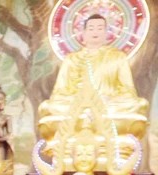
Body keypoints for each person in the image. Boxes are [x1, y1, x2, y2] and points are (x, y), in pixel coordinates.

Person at [38, 13, 148, 148]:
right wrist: (78, 101)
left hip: (109, 107)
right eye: (91, 28)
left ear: (107, 33)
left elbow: (128, 90)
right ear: (83, 33)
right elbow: (59, 92)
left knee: (138, 104)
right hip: (76, 107)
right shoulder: (71, 59)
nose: (95, 32)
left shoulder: (118, 57)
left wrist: (106, 99)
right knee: (48, 107)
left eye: (100, 28)